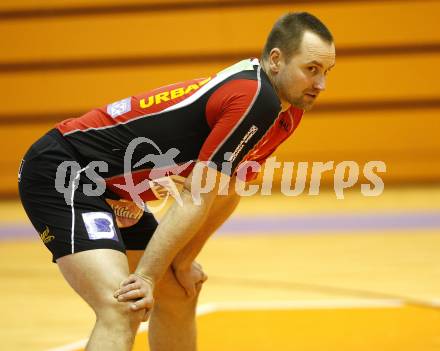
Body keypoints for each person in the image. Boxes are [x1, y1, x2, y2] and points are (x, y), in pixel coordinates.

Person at [18, 12, 335, 351]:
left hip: (115, 191)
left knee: (180, 291)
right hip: (66, 170)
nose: (321, 84)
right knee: (124, 304)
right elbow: (196, 194)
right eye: (311, 69)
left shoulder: (287, 112)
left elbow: (227, 190)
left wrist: (181, 262)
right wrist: (147, 276)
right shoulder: (257, 98)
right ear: (276, 60)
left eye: (327, 72)